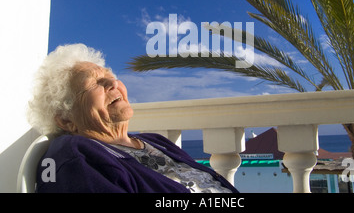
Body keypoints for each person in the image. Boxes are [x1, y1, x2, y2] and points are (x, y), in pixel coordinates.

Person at [27, 43, 238, 193]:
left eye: (111, 77)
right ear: (66, 120)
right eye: (94, 83)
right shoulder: (77, 157)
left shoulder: (153, 141)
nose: (113, 84)